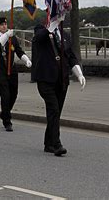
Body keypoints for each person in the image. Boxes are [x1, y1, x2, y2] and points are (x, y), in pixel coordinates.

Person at [32, 21, 86, 156]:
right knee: (54, 109)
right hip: (46, 79)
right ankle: (56, 144)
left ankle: (48, 143)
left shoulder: (65, 34)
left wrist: (79, 74)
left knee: (56, 112)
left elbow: (70, 56)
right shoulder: (41, 30)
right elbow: (39, 38)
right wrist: (52, 24)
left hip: (62, 80)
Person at [0, 17, 32, 132]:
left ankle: (5, 112)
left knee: (13, 94)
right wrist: (7, 36)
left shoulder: (12, 38)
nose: (4, 27)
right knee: (5, 95)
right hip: (0, 70)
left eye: (5, 24)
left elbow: (19, 51)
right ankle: (7, 121)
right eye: (2, 25)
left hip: (11, 70)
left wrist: (26, 59)